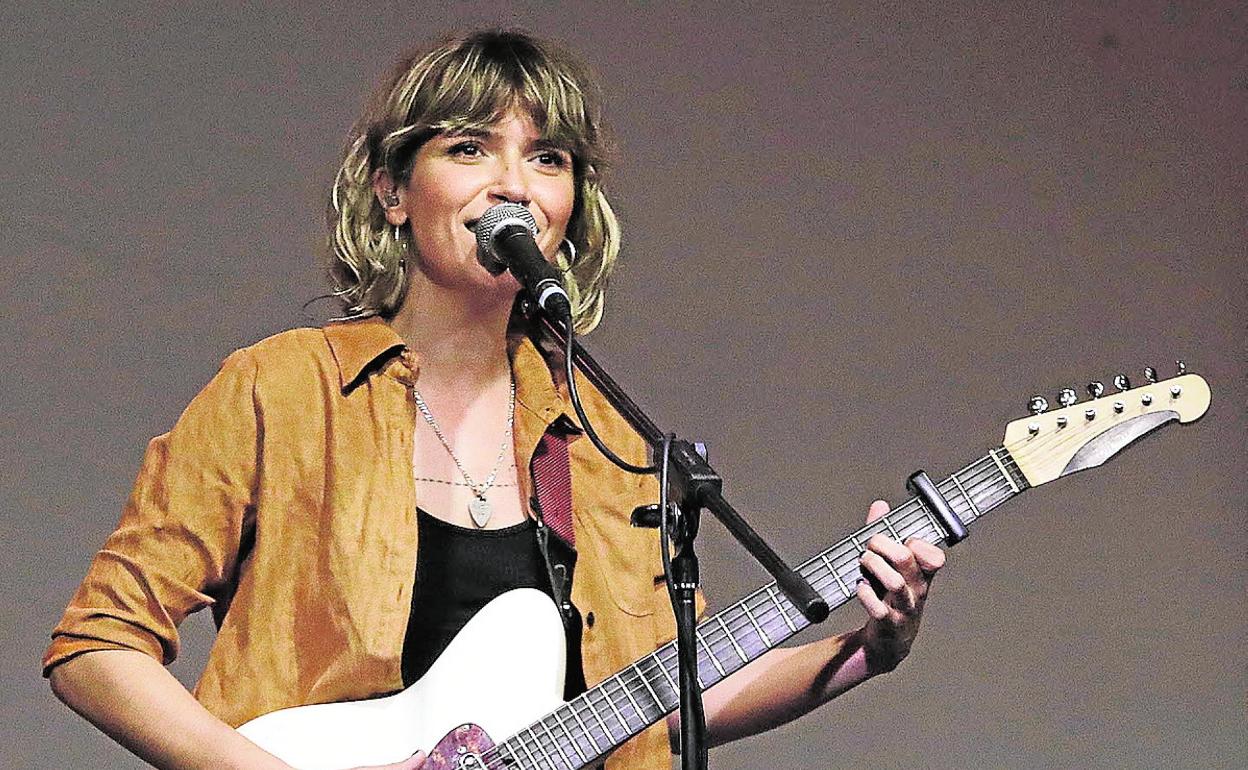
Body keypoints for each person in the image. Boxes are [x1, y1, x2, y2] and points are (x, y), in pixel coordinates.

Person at [44, 29, 945, 770]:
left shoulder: (602, 437)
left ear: (570, 206)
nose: (513, 184)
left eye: (546, 158)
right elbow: (96, 648)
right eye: (470, 147)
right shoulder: (280, 391)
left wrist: (868, 650)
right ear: (392, 191)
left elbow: (668, 694)